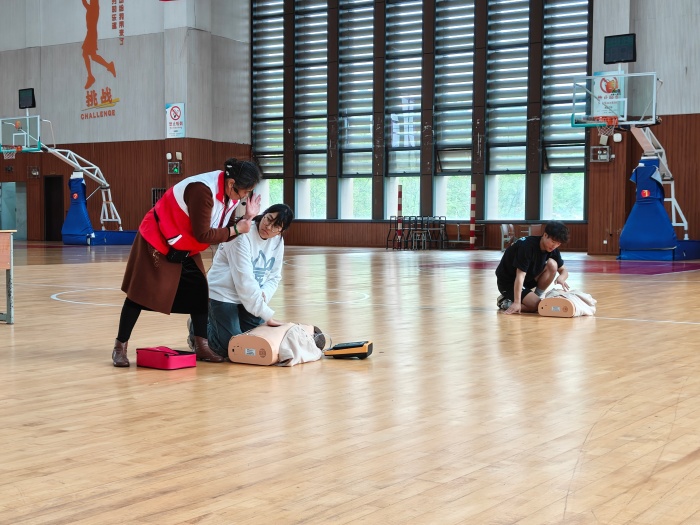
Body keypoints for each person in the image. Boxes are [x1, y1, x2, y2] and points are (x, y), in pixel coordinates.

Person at [111, 158, 262, 367]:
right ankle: (120, 346)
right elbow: (204, 234)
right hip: (157, 239)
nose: (245, 196)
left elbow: (223, 231)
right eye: (245, 191)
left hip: (184, 243)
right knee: (139, 294)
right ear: (231, 183)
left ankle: (202, 346)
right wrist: (237, 228)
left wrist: (247, 218)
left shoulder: (232, 197)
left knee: (199, 291)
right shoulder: (202, 191)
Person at [191, 203, 297, 359]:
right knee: (231, 347)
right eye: (268, 219)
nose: (268, 227)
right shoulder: (241, 235)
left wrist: (264, 294)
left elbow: (274, 276)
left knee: (254, 339)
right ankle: (198, 329)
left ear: (281, 231)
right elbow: (244, 281)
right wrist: (266, 315)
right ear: (264, 214)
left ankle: (220, 323)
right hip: (223, 294)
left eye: (276, 226)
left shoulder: (277, 241)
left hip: (250, 297)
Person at [495, 220, 570, 315]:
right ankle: (505, 302)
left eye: (558, 244)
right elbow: (520, 276)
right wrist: (517, 302)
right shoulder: (527, 247)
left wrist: (561, 277)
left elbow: (563, 270)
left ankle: (535, 296)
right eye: (553, 242)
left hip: (526, 280)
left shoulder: (553, 250)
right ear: (545, 235)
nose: (554, 246)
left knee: (552, 264)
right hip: (509, 282)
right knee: (536, 306)